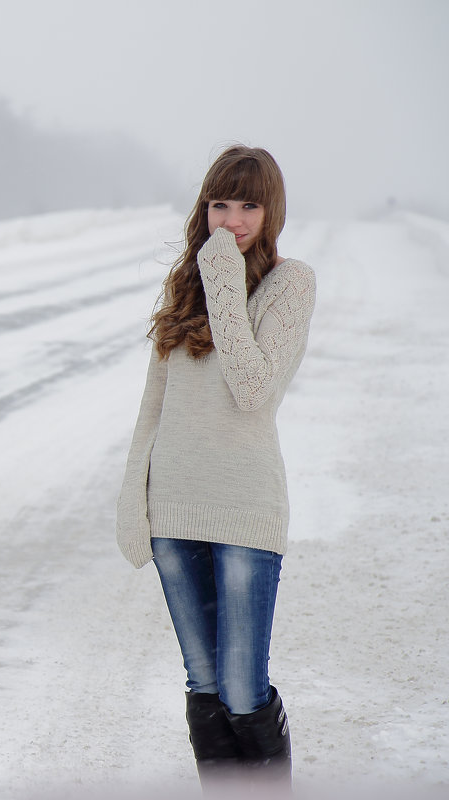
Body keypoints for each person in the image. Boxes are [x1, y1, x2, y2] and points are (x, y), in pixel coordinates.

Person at [115, 145, 316, 792]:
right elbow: (154, 405)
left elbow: (253, 390)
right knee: (203, 685)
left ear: (270, 211)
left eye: (248, 205)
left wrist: (225, 279)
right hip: (174, 503)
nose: (231, 219)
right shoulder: (185, 285)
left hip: (243, 507)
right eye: (219, 204)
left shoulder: (290, 284)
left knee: (241, 688)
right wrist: (133, 498)